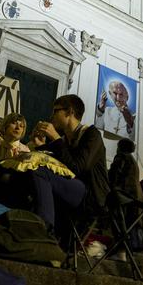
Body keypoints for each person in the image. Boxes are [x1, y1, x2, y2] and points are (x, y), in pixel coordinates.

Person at [30, 94, 109, 234]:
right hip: (72, 188)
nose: (51, 116)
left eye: (55, 111)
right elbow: (57, 162)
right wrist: (40, 146)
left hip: (91, 196)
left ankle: (44, 231)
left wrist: (55, 138)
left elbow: (77, 168)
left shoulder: (92, 134)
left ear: (69, 112)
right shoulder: (65, 140)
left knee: (41, 171)